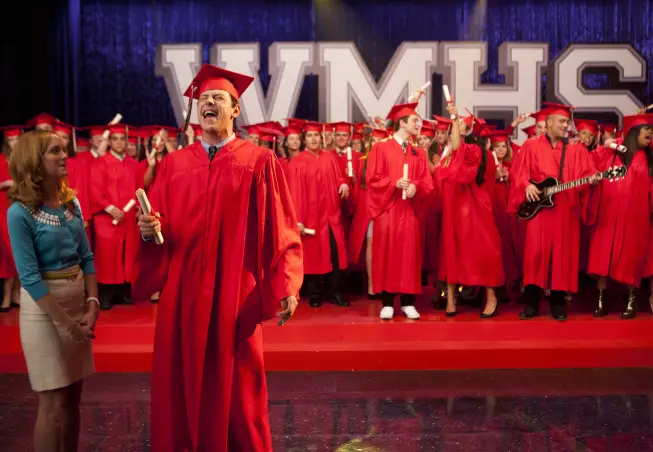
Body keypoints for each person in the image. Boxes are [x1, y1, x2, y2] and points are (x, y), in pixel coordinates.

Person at [133, 64, 303, 451]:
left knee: (240, 391)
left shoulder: (259, 162)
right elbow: (158, 233)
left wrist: (287, 284)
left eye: (218, 99)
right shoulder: (174, 166)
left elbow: (282, 228)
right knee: (181, 383)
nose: (208, 103)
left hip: (234, 294)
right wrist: (148, 231)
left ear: (235, 110)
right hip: (182, 295)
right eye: (203, 99)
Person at [7, 130, 98, 452]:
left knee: (74, 399)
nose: (64, 156)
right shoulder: (19, 213)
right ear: (34, 161)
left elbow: (87, 257)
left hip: (77, 307)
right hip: (46, 315)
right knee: (53, 404)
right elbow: (29, 278)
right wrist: (68, 323)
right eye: (55, 151)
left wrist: (92, 305)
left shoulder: (71, 202)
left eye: (64, 150)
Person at [508, 103, 600, 321]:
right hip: (540, 211)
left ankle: (558, 303)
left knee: (562, 256)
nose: (566, 126)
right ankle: (531, 302)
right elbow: (518, 173)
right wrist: (526, 185)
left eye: (567, 122)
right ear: (548, 123)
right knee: (535, 256)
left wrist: (594, 179)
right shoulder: (531, 146)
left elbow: (588, 173)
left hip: (565, 210)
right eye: (561, 122)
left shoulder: (576, 149)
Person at [366, 102, 433, 320]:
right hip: (388, 210)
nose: (418, 124)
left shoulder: (419, 153)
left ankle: (407, 301)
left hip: (409, 212)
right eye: (415, 121)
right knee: (387, 254)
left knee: (408, 256)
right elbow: (373, 178)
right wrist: (394, 183)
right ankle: (387, 300)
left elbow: (426, 182)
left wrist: (416, 186)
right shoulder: (380, 148)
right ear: (402, 123)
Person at [436, 107, 504, 317]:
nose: (455, 128)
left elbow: (458, 146)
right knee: (451, 249)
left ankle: (491, 296)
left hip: (474, 207)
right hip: (454, 207)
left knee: (483, 249)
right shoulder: (447, 155)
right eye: (453, 126)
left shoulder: (472, 150)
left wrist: (455, 117)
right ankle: (450, 297)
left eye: (460, 126)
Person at [587, 115, 653, 318]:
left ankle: (632, 300)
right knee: (603, 258)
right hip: (608, 215)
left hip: (634, 218)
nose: (650, 136)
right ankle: (600, 299)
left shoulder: (648, 159)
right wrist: (610, 143)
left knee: (630, 259)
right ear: (634, 134)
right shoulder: (612, 156)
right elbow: (592, 162)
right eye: (647, 133)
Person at [287, 121, 350, 308]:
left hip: (331, 216)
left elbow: (339, 177)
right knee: (313, 255)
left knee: (335, 254)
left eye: (316, 136)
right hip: (311, 218)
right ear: (304, 140)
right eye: (310, 136)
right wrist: (298, 220)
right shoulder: (297, 162)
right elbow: (294, 194)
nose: (314, 139)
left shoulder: (329, 157)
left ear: (321, 138)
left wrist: (343, 183)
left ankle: (335, 292)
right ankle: (315, 294)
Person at [90, 124, 143, 310]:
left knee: (127, 255)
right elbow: (95, 190)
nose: (119, 142)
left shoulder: (133, 164)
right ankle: (106, 295)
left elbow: (139, 189)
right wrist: (110, 208)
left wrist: (138, 207)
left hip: (128, 218)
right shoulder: (100, 163)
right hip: (107, 219)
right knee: (108, 257)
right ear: (110, 142)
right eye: (115, 139)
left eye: (122, 139)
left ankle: (124, 292)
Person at [0, 125, 23, 312]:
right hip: (3, 210)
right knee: (9, 253)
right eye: (11, 140)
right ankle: (8, 296)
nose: (14, 143)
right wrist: (5, 183)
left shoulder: (25, 160)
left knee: (19, 252)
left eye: (17, 139)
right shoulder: (0, 160)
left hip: (23, 209)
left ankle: (16, 295)